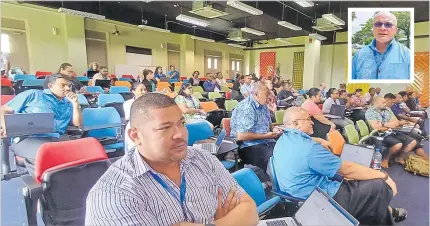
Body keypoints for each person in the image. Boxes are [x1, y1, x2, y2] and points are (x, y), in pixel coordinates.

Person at [85, 93, 259, 225]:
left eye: (181, 123)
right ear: (135, 136)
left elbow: (250, 211)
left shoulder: (204, 160)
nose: (180, 134)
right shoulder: (115, 193)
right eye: (165, 127)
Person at [273, 107, 406, 225]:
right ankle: (386, 215)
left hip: (295, 197)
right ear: (296, 123)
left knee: (361, 183)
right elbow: (348, 170)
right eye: (308, 119)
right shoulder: (310, 149)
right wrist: (384, 176)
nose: (312, 122)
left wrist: (318, 139)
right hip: (319, 200)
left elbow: (302, 145)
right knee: (378, 185)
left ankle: (385, 213)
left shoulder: (283, 139)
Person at [1, 73, 82, 177]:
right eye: (63, 85)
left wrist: (75, 105)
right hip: (27, 138)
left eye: (69, 86)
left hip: (56, 138)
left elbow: (77, 123)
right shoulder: (33, 95)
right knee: (46, 156)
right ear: (50, 86)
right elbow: (3, 110)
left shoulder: (67, 103)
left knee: (80, 152)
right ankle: (47, 186)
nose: (67, 88)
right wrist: (5, 126)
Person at [231, 83, 282, 172]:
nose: (269, 97)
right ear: (256, 95)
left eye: (269, 93)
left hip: (266, 141)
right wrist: (267, 136)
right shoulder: (247, 107)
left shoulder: (263, 105)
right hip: (248, 146)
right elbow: (241, 136)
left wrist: (274, 130)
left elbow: (268, 125)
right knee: (273, 160)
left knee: (285, 152)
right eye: (267, 94)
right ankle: (275, 183)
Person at [352, 11, 410, 80]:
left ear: (395, 30)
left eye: (388, 24)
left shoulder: (408, 55)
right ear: (373, 28)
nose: (382, 28)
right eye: (378, 24)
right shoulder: (359, 55)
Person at [365, 96, 418, 168]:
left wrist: (385, 124)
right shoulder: (370, 112)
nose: (385, 104)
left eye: (385, 102)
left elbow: (396, 121)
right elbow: (376, 127)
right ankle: (385, 159)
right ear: (376, 103)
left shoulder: (387, 109)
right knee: (398, 144)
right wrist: (388, 124)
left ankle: (399, 158)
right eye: (383, 102)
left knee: (413, 142)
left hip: (393, 131)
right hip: (380, 134)